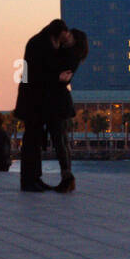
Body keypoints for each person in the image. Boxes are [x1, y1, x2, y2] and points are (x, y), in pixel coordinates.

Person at [13, 19, 69, 192]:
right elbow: (37, 73)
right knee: (31, 141)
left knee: (35, 140)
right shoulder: (39, 44)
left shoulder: (44, 43)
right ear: (58, 32)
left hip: (39, 100)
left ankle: (35, 178)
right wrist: (57, 78)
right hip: (33, 100)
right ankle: (29, 180)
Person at [46, 28, 88, 192]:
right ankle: (67, 176)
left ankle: (67, 177)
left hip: (57, 102)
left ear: (75, 40)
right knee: (61, 140)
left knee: (60, 141)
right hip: (60, 101)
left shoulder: (70, 56)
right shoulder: (70, 55)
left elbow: (59, 77)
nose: (66, 36)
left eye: (69, 35)